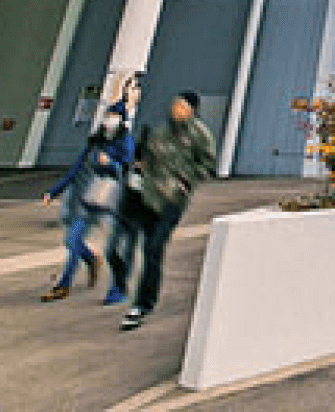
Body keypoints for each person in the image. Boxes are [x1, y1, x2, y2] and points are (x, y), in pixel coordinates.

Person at [108, 91, 216, 330]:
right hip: (147, 197)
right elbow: (147, 159)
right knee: (127, 246)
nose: (177, 109)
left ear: (193, 110)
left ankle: (142, 303)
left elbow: (209, 164)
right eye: (175, 104)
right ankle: (123, 287)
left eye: (182, 106)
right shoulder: (159, 132)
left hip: (173, 201)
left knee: (153, 248)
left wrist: (185, 181)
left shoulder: (200, 134)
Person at [41, 101, 133, 301]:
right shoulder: (95, 141)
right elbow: (76, 168)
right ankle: (71, 277)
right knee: (72, 241)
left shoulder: (125, 141)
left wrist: (111, 164)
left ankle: (117, 289)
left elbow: (127, 169)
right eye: (108, 115)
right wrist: (54, 191)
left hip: (110, 201)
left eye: (113, 116)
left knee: (114, 247)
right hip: (89, 198)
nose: (109, 120)